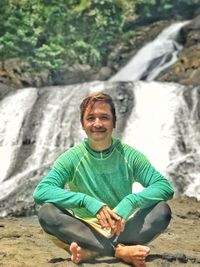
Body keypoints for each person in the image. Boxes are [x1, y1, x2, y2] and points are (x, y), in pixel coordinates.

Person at [33, 92, 174, 267]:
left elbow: (165, 187)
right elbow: (41, 192)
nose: (97, 124)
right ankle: (119, 251)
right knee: (47, 212)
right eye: (91, 118)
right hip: (83, 230)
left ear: (114, 122)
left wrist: (131, 201)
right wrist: (86, 201)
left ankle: (92, 251)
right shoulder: (71, 158)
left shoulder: (130, 155)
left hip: (122, 228)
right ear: (82, 124)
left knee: (162, 210)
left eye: (104, 118)